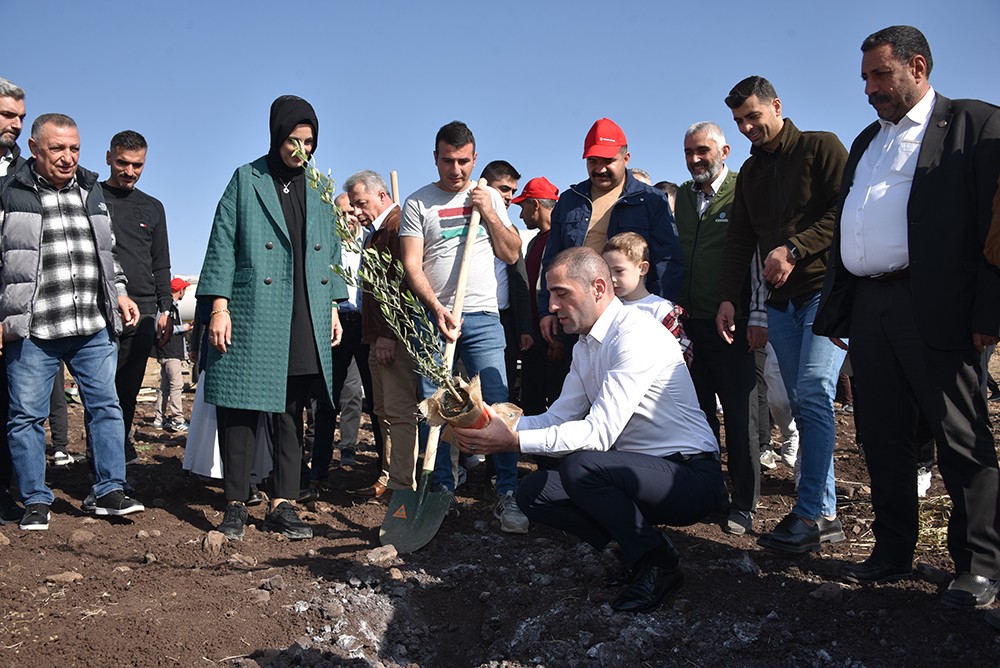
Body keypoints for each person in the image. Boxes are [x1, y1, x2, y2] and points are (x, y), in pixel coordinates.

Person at [813, 26, 1000, 608]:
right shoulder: (870, 138)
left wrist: (989, 311)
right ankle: (892, 550)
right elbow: (855, 222)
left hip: (938, 305)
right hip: (872, 306)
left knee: (958, 438)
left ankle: (980, 565)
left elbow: (998, 231)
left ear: (917, 67)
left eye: (881, 76)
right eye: (865, 78)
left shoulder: (974, 125)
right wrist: (843, 307)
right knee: (883, 436)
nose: (870, 89)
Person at [452, 247, 724, 613]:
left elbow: (598, 435)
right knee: (534, 491)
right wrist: (495, 425)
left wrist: (514, 441)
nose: (551, 305)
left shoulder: (636, 335)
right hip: (637, 472)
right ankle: (637, 551)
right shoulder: (586, 345)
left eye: (561, 293)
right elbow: (558, 417)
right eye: (550, 294)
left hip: (689, 476)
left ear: (598, 287)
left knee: (582, 467)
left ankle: (660, 565)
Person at [198, 95, 347, 541]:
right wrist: (219, 307)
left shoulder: (318, 187)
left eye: (308, 142)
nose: (300, 150)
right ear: (276, 135)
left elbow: (332, 250)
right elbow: (223, 242)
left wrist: (334, 306)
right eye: (293, 140)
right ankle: (235, 503)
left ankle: (283, 502)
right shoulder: (247, 179)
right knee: (239, 406)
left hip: (304, 309)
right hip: (252, 309)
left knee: (291, 408)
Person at [717, 75, 848, 554]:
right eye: (739, 121)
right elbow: (739, 241)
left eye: (754, 115)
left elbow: (848, 211)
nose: (748, 126)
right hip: (780, 303)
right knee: (802, 404)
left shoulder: (822, 148)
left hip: (824, 293)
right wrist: (729, 298)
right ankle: (828, 513)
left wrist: (795, 247)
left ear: (776, 105)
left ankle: (810, 512)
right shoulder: (751, 173)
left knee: (814, 391)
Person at [0, 113, 145, 530]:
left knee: (106, 407)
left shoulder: (92, 188)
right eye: (57, 149)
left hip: (91, 324)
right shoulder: (11, 192)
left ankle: (109, 490)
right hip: (34, 328)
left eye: (74, 148)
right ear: (33, 149)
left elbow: (106, 253)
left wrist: (118, 292)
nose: (67, 158)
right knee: (26, 416)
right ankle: (34, 498)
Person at [399, 120, 529, 534]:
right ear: (435, 158)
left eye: (464, 162)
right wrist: (436, 306)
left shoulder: (489, 195)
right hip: (433, 317)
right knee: (432, 405)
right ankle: (439, 490)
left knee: (498, 403)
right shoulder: (419, 203)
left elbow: (511, 254)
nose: (456, 170)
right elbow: (411, 265)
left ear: (475, 158)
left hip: (484, 316)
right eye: (447, 161)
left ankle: (506, 491)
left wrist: (489, 211)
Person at [674, 121, 767, 535]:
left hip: (734, 323)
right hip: (691, 323)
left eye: (703, 151)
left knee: (740, 416)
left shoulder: (742, 191)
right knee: (699, 415)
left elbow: (755, 253)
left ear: (724, 152)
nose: (695, 159)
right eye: (689, 152)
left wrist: (756, 315)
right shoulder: (682, 198)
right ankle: (711, 492)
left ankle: (745, 502)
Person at [539, 117, 683, 351]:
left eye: (608, 161)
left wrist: (656, 310)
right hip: (578, 313)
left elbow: (668, 262)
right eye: (593, 161)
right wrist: (547, 309)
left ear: (626, 159)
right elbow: (552, 259)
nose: (600, 168)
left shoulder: (652, 201)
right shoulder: (569, 200)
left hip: (632, 313)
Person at [345, 169, 421, 497]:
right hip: (376, 337)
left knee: (399, 412)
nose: (358, 212)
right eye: (353, 206)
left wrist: (389, 333)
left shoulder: (396, 227)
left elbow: (402, 282)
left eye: (362, 204)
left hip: (393, 337)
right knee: (382, 411)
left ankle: (403, 484)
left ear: (382, 196)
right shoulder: (376, 232)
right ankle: (389, 476)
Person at [101, 130, 173, 465]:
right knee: (100, 389)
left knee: (128, 389)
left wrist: (166, 310)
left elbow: (161, 264)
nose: (129, 171)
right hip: (100, 309)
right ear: (108, 158)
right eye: (123, 163)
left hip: (143, 313)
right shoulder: (92, 200)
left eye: (137, 165)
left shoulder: (153, 207)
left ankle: (119, 444)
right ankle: (99, 450)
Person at [310, 192, 381, 487]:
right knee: (328, 397)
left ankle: (384, 469)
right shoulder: (326, 246)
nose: (347, 217)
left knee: (377, 400)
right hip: (336, 324)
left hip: (367, 326)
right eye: (340, 212)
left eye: (352, 211)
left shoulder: (373, 242)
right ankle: (319, 470)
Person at [512, 177, 569, 416]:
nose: (521, 215)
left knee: (557, 396)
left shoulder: (562, 238)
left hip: (554, 333)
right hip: (535, 333)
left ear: (535, 205)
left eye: (523, 206)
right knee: (532, 396)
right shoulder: (534, 242)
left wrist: (558, 338)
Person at [480, 160, 533, 404]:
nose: (510, 197)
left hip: (504, 323)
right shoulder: (462, 225)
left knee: (500, 391)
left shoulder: (512, 232)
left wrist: (524, 328)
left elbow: (520, 282)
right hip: (469, 317)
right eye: (503, 189)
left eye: (512, 191)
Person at [601, 232, 692, 365]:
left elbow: (682, 357)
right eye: (607, 272)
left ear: (642, 268)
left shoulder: (663, 310)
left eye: (619, 271)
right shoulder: (607, 309)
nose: (612, 278)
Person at [0, 77, 27, 524]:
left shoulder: (22, 172)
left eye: (21, 117)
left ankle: (6, 489)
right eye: (7, 115)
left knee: (9, 402)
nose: (16, 124)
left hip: (11, 302)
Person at [152, 277, 192, 432]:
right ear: (180, 290)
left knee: (165, 388)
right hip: (170, 353)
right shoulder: (167, 309)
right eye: (184, 289)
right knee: (177, 385)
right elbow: (160, 328)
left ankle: (158, 419)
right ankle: (177, 419)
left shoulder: (170, 308)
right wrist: (184, 327)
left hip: (167, 353)